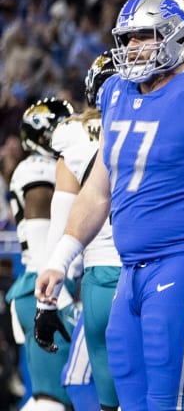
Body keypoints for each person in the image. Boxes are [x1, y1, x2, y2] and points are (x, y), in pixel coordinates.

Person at [34, 0, 184, 409]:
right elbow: (98, 190)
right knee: (129, 402)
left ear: (176, 38)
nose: (133, 48)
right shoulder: (117, 94)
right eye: (129, 38)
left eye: (145, 36)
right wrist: (60, 259)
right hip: (130, 271)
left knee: (170, 402)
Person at [33, 51, 121, 411]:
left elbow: (62, 225)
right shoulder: (165, 125)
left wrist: (46, 300)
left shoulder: (72, 137)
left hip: (100, 277)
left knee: (107, 402)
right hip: (160, 270)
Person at [5, 98, 75, 410]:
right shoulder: (40, 169)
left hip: (40, 287)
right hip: (46, 288)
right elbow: (40, 237)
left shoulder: (46, 167)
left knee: (49, 396)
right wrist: (59, 297)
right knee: (54, 397)